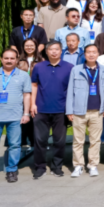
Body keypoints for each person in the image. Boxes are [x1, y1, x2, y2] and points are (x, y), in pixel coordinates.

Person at [0, 48, 32, 186]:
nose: (9, 61)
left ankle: (12, 170)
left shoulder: (24, 75)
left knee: (15, 145)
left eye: (12, 58)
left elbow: (27, 95)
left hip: (15, 117)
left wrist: (26, 113)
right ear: (1, 59)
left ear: (17, 60)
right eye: (6, 58)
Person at [30, 41, 74, 178]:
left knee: (59, 141)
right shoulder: (38, 67)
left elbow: (72, 89)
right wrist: (32, 104)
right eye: (51, 49)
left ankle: (57, 166)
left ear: (61, 51)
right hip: (41, 109)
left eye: (57, 49)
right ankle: (40, 167)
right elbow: (34, 85)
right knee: (40, 140)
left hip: (61, 110)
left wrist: (70, 109)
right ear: (46, 51)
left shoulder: (69, 67)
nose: (54, 52)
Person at [66, 44, 104, 178]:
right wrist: (69, 110)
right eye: (88, 52)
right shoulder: (76, 69)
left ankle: (93, 165)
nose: (91, 54)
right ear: (84, 54)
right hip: (79, 111)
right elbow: (70, 91)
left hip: (97, 111)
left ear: (98, 54)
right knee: (78, 140)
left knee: (95, 140)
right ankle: (78, 165)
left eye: (94, 52)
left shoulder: (103, 70)